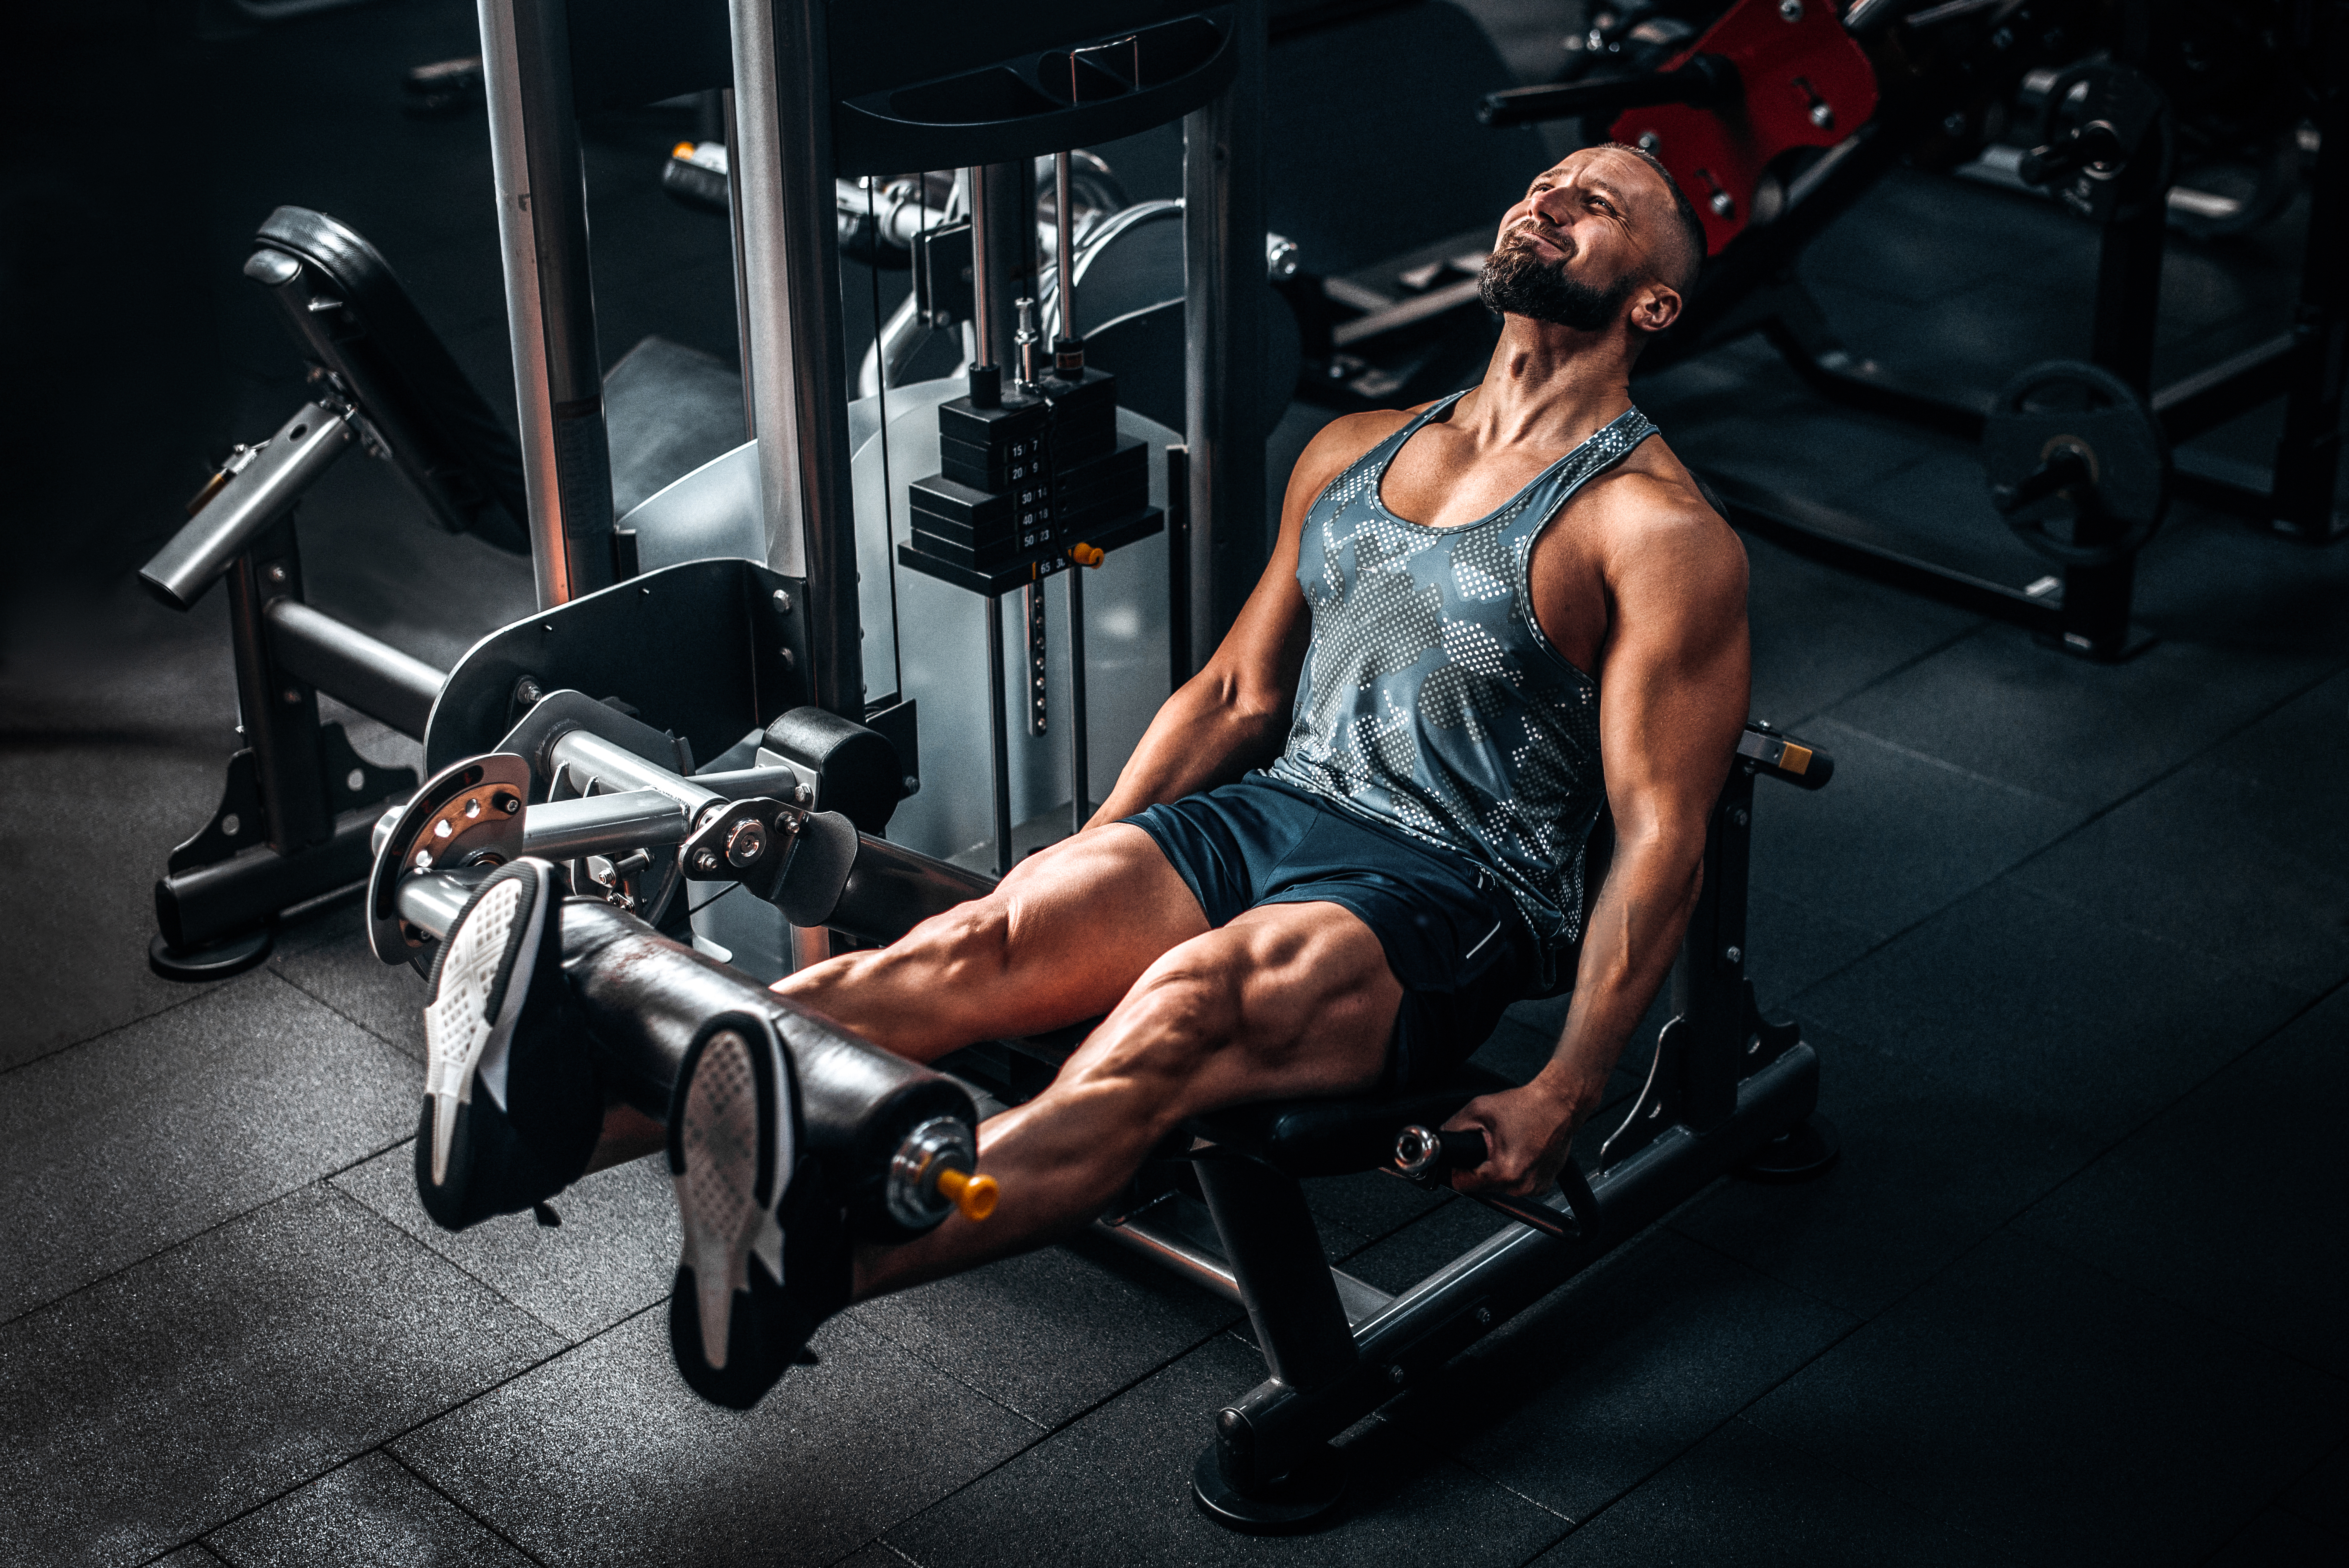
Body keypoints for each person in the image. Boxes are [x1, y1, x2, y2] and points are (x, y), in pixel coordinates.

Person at [412, 142, 1751, 1408]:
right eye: (1548, 182)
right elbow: (1236, 693)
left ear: (1654, 298)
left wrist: (1566, 1089)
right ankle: (542, 1131)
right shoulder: (1363, 447)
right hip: (1267, 816)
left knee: (1181, 1009)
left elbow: (1661, 835)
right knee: (970, 945)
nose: (1553, 197)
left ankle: (813, 1270)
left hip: (1445, 894)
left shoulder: (1655, 531)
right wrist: (1093, 846)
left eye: (1599, 205)